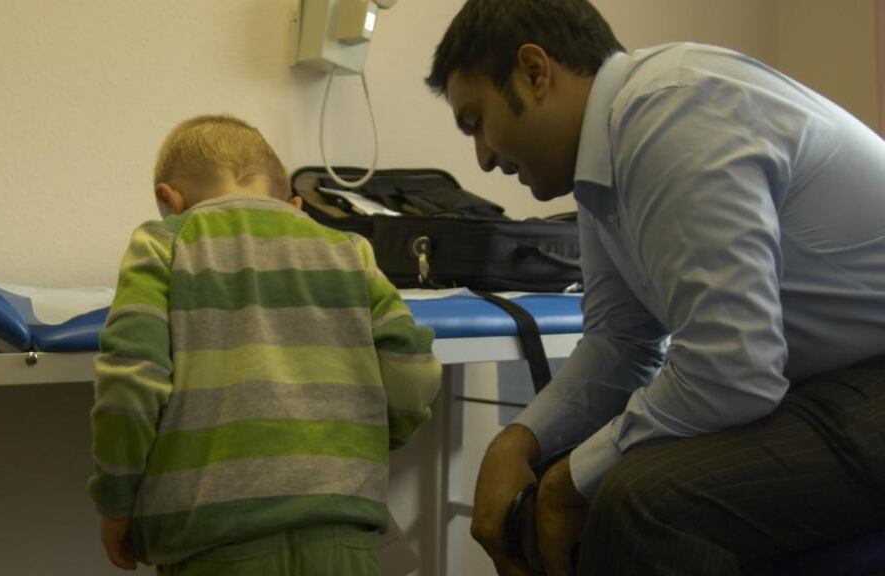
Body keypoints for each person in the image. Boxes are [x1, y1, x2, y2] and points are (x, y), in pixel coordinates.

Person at [426, 1, 885, 574]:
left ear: (535, 72)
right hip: (835, 380)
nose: (484, 158)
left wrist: (570, 480)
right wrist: (518, 441)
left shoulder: (671, 112)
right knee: (568, 478)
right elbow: (622, 342)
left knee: (642, 503)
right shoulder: (606, 159)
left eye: (477, 122)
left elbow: (733, 370)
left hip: (868, 376)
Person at [87, 114, 442, 575]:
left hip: (212, 542)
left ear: (169, 200)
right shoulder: (349, 251)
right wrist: (369, 437)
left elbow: (130, 384)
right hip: (345, 536)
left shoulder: (162, 244)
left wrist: (116, 503)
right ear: (294, 204)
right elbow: (413, 373)